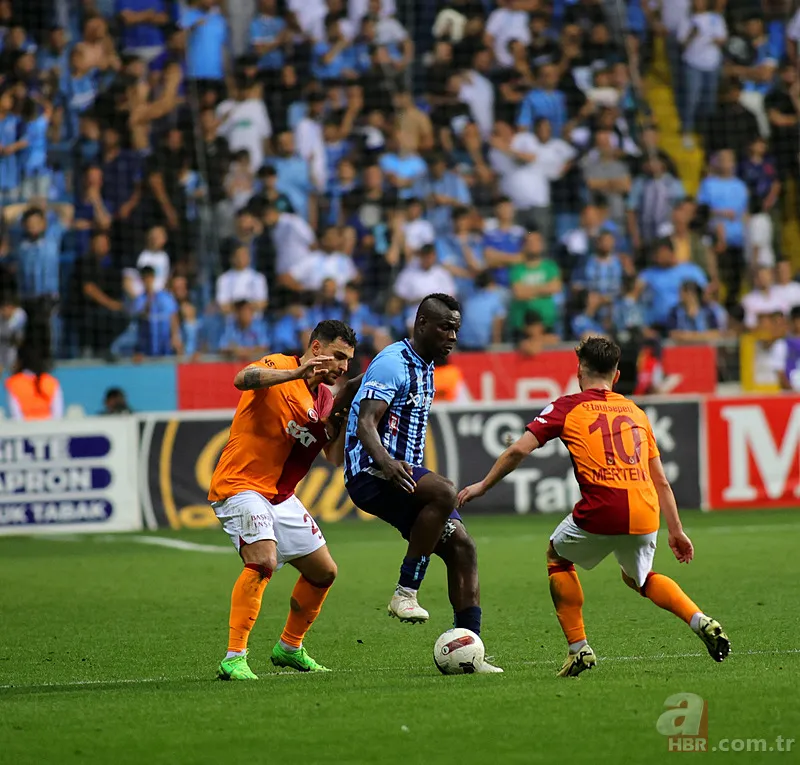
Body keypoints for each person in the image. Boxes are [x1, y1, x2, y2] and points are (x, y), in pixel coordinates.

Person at [457, 337, 730, 677]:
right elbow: (661, 480)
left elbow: (518, 450)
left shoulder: (567, 406)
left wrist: (483, 485)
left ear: (578, 372)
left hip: (603, 507)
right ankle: (698, 619)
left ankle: (578, 648)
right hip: (645, 512)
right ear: (616, 377)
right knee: (639, 580)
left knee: (557, 555)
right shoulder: (636, 413)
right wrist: (676, 530)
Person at [344, 294, 502, 673]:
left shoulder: (424, 364)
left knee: (463, 547)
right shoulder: (393, 361)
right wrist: (385, 461)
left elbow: (359, 384)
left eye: (456, 329)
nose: (452, 336)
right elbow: (367, 422)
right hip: (373, 474)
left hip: (398, 474)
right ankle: (405, 591)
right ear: (421, 325)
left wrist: (334, 406)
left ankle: (471, 649)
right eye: (445, 327)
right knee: (445, 491)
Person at [209, 320, 358, 680]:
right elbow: (242, 378)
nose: (341, 367)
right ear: (317, 349)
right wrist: (296, 374)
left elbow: (333, 458)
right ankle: (234, 657)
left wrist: (340, 419)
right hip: (241, 485)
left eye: (348, 362)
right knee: (263, 560)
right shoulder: (280, 364)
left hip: (280, 496)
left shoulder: (324, 399)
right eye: (338, 357)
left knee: (324, 572)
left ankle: (289, 648)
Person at [4, 346, 63, 421]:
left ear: (20, 361)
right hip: (49, 429)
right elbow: (57, 415)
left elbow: (16, 416)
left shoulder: (13, 383)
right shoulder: (51, 381)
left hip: (24, 430)